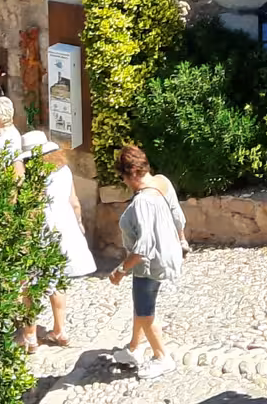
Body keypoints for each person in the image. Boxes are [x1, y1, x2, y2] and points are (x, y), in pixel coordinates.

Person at [109, 143, 186, 379]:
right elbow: (177, 216)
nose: (123, 182)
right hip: (167, 253)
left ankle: (161, 357)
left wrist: (120, 270)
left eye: (123, 177)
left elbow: (143, 247)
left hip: (149, 263)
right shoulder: (162, 182)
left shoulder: (142, 201)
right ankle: (134, 347)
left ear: (131, 173)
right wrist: (182, 241)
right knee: (141, 302)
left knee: (144, 310)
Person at [20, 131, 98, 349]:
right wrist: (79, 224)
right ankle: (60, 330)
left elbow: (29, 208)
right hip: (62, 230)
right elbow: (74, 202)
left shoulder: (29, 175)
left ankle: (30, 336)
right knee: (57, 281)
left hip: (39, 232)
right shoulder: (64, 171)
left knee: (29, 285)